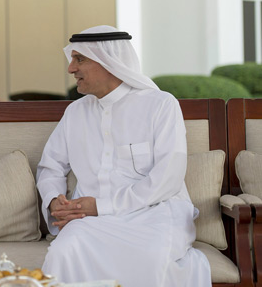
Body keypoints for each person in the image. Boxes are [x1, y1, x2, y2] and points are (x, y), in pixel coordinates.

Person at [36, 25, 211, 286]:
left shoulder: (160, 104)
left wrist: (101, 205)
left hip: (155, 214)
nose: (71, 68)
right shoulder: (76, 112)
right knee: (63, 252)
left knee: (151, 257)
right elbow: (50, 166)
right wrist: (54, 201)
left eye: (79, 59)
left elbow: (168, 178)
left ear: (110, 62)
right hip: (89, 221)